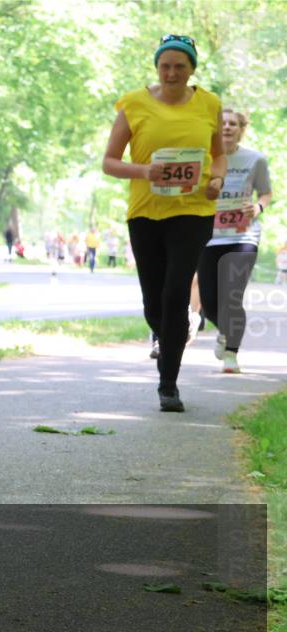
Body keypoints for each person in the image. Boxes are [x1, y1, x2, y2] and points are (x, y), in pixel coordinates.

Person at [102, 34, 225, 412]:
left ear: (192, 70)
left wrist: (217, 180)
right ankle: (168, 330)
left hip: (192, 212)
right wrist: (145, 170)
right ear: (157, 68)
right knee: (154, 301)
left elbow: (217, 156)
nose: (172, 73)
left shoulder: (209, 104)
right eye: (165, 66)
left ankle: (168, 383)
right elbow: (109, 162)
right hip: (145, 213)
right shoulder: (134, 104)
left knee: (175, 295)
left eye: (180, 67)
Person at [196, 108, 273, 373]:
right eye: (222, 123)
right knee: (208, 301)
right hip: (209, 237)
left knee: (232, 295)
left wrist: (258, 208)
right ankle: (224, 331)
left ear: (241, 128)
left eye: (233, 124)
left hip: (243, 235)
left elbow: (265, 193)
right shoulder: (203, 158)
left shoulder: (255, 159)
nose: (227, 127)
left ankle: (231, 354)